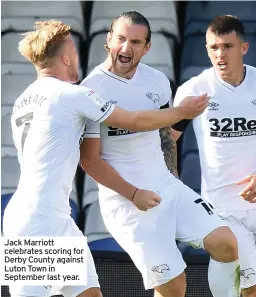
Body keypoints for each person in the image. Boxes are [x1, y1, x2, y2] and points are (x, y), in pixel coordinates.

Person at [3, 20, 211, 297]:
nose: (77, 57)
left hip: (55, 217)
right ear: (65, 57)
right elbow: (134, 120)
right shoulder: (72, 95)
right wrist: (181, 112)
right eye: (74, 52)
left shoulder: (23, 99)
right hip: (36, 223)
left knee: (90, 294)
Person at [80, 11, 241, 297]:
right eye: (120, 39)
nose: (126, 48)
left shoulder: (157, 81)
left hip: (166, 187)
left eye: (135, 42)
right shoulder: (90, 90)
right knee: (173, 286)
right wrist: (133, 194)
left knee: (226, 244)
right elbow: (90, 160)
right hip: (126, 202)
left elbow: (165, 138)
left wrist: (173, 183)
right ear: (108, 40)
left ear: (147, 47)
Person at [172, 15, 256, 297]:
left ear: (243, 48)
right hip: (222, 210)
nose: (220, 54)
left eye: (227, 46)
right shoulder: (193, 90)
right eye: (213, 47)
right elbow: (166, 143)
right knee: (254, 291)